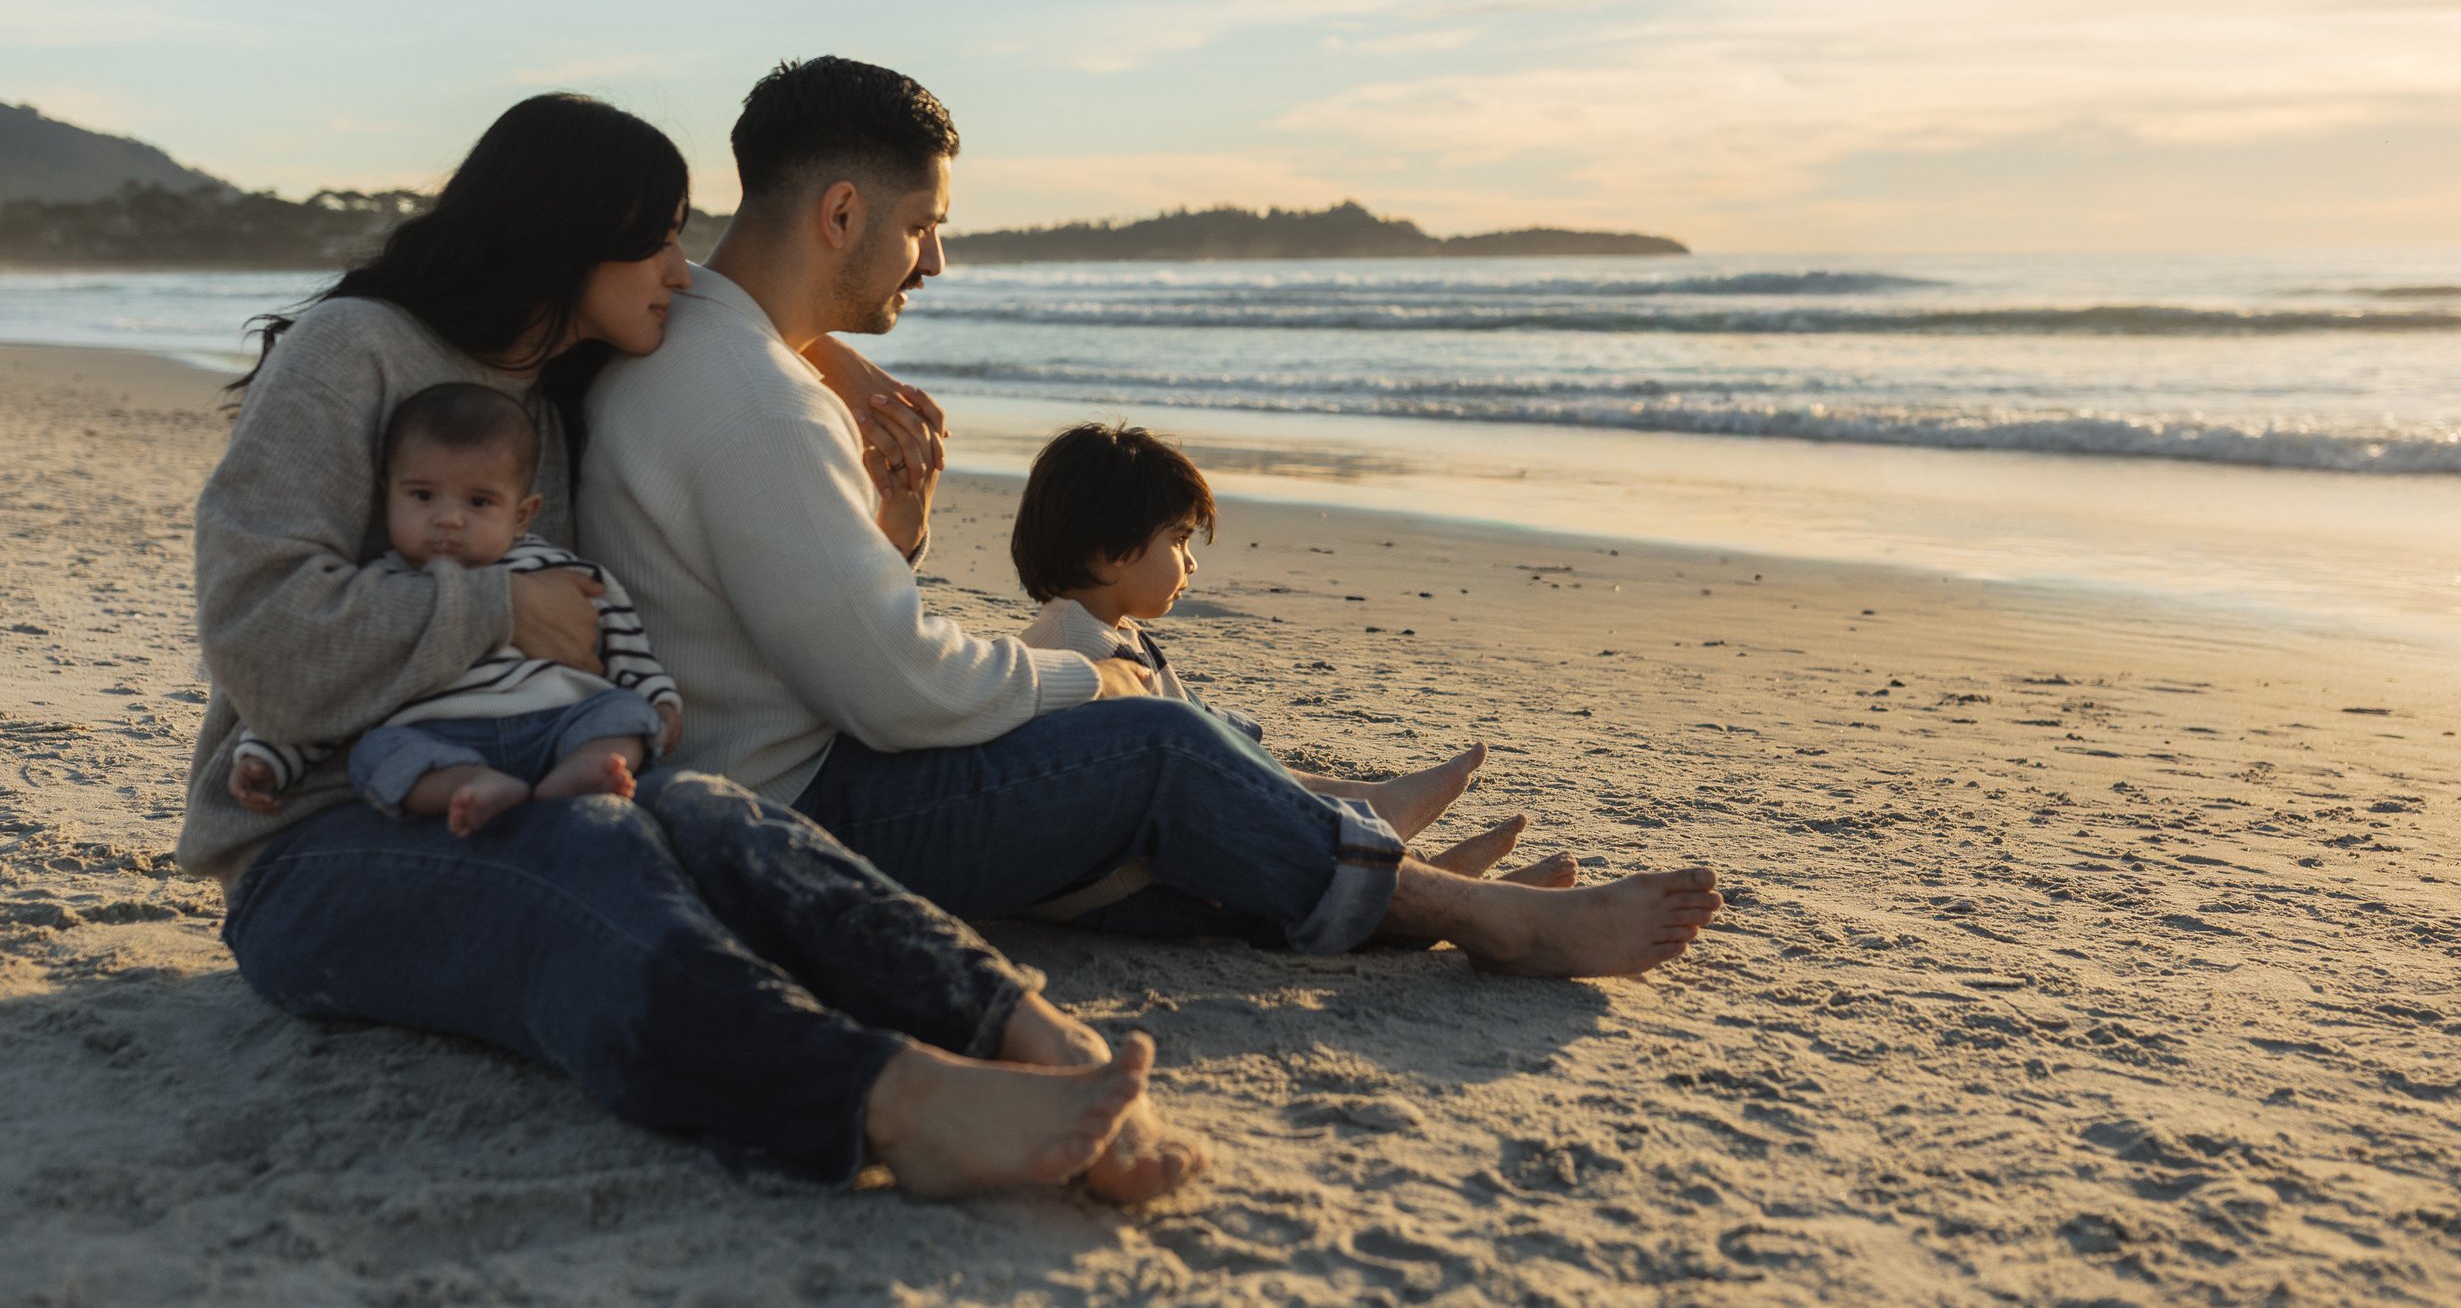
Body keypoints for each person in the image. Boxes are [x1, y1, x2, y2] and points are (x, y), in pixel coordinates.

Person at [178, 93, 1200, 1199]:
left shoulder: (551, 389)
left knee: (713, 809)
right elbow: (256, 636)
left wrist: (836, 366)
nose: (681, 265)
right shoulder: (353, 351)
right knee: (594, 863)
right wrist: (501, 612)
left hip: (524, 789)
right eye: (660, 234)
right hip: (319, 846)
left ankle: (1031, 1034)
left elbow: (735, 313)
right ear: (571, 237)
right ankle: (896, 1100)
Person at [580, 55, 1723, 976]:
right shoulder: (759, 401)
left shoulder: (698, 350)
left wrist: (896, 517)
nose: (935, 256)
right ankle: (1482, 918)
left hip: (766, 768)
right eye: (924, 221)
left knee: (1130, 792)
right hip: (802, 806)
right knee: (1155, 743)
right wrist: (1089, 680)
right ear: (840, 210)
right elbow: (897, 685)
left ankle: (1387, 881)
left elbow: (808, 617)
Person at [1010, 420, 1578, 895]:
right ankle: (1427, 879)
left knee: (1241, 757)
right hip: (1139, 882)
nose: (1192, 562)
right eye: (1179, 540)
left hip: (1166, 834)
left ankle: (1379, 816)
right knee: (1275, 859)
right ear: (1110, 554)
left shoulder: (1108, 632)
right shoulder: (1074, 654)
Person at [227, 381, 683, 837]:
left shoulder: (562, 573)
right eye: (423, 496)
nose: (448, 518)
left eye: (479, 502)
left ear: (522, 515)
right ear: (388, 495)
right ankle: (475, 788)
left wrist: (660, 700)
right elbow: (335, 690)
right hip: (438, 741)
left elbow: (628, 647)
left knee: (625, 710)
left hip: (561, 726)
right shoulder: (380, 589)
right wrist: (270, 755)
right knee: (375, 754)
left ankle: (584, 771)